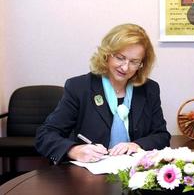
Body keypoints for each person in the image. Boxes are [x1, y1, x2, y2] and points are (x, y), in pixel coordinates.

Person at [36, 24, 171, 164]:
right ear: (107, 54)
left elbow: (161, 136)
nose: (125, 67)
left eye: (134, 62)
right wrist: (74, 150)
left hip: (136, 173)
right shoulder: (79, 87)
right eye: (120, 58)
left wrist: (137, 146)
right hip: (89, 177)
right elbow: (45, 135)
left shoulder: (149, 89)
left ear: (142, 64)